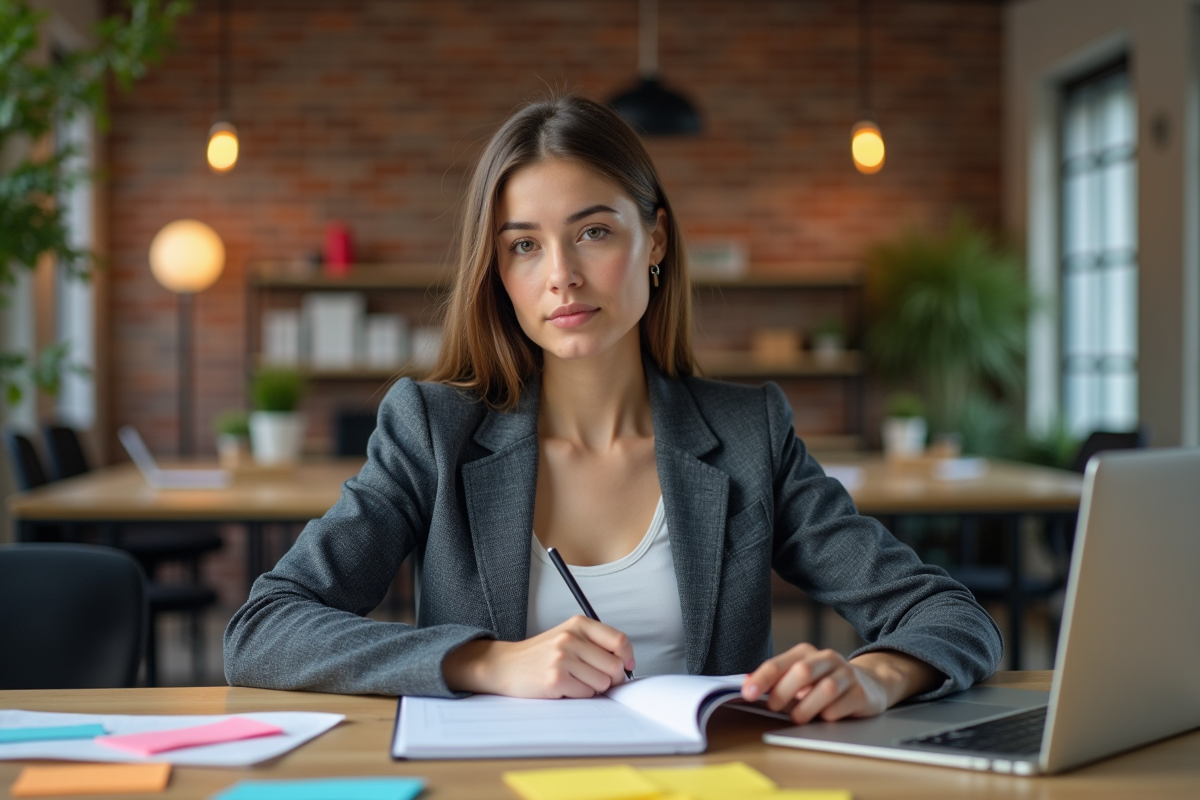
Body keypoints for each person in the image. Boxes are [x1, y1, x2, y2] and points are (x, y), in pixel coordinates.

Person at [224, 95, 1001, 725]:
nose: (561, 275)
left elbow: (948, 614)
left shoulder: (747, 433)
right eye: (524, 246)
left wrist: (878, 676)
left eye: (594, 231)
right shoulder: (434, 431)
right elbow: (264, 630)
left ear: (655, 239)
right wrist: (488, 662)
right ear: (496, 270)